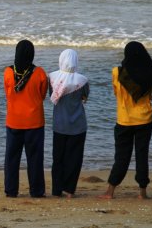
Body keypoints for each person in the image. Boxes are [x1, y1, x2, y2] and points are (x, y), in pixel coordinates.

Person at [100, 41, 152, 200]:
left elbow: (116, 93)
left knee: (121, 157)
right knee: (142, 155)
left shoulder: (117, 72)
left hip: (124, 120)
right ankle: (142, 193)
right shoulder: (150, 73)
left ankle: (110, 191)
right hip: (145, 119)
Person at [3, 40, 48, 198]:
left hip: (13, 121)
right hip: (34, 122)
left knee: (11, 159)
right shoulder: (40, 73)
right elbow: (42, 96)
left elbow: (7, 94)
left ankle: (11, 190)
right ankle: (36, 191)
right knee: (35, 159)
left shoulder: (8, 72)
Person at [49, 49, 89, 198]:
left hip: (59, 124)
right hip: (78, 124)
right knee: (74, 158)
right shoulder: (82, 80)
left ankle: (56, 190)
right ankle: (69, 190)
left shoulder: (52, 78)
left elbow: (50, 96)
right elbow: (85, 98)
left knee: (58, 158)